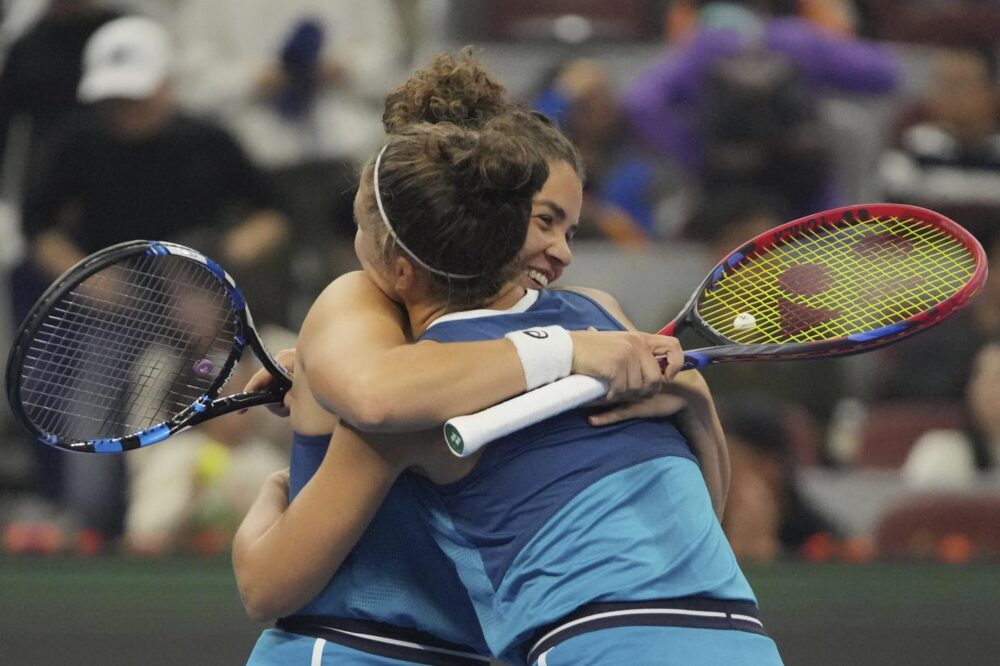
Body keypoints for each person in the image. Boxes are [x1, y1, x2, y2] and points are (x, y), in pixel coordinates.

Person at [234, 52, 740, 665]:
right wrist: (571, 351)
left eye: (572, 231)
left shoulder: (593, 313)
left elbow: (694, 518)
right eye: (543, 221)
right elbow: (375, 397)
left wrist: (689, 396)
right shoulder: (358, 304)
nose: (560, 253)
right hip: (352, 648)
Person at [11, 15, 290, 541]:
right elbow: (37, 225)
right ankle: (95, 540)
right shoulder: (78, 141)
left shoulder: (207, 140)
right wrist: (88, 279)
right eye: (113, 99)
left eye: (135, 95)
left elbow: (272, 215)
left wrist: (215, 264)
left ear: (165, 83)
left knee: (255, 431)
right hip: (116, 314)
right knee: (91, 461)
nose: (125, 110)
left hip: (209, 316)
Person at [625, 0, 899, 216]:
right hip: (805, 199)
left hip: (727, 191)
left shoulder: (702, 48)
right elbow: (885, 73)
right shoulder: (795, 39)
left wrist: (693, 150)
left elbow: (640, 103)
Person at [717, 393, 840, 562]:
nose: (717, 473)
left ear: (770, 467)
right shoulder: (702, 522)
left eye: (731, 462)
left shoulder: (816, 538)